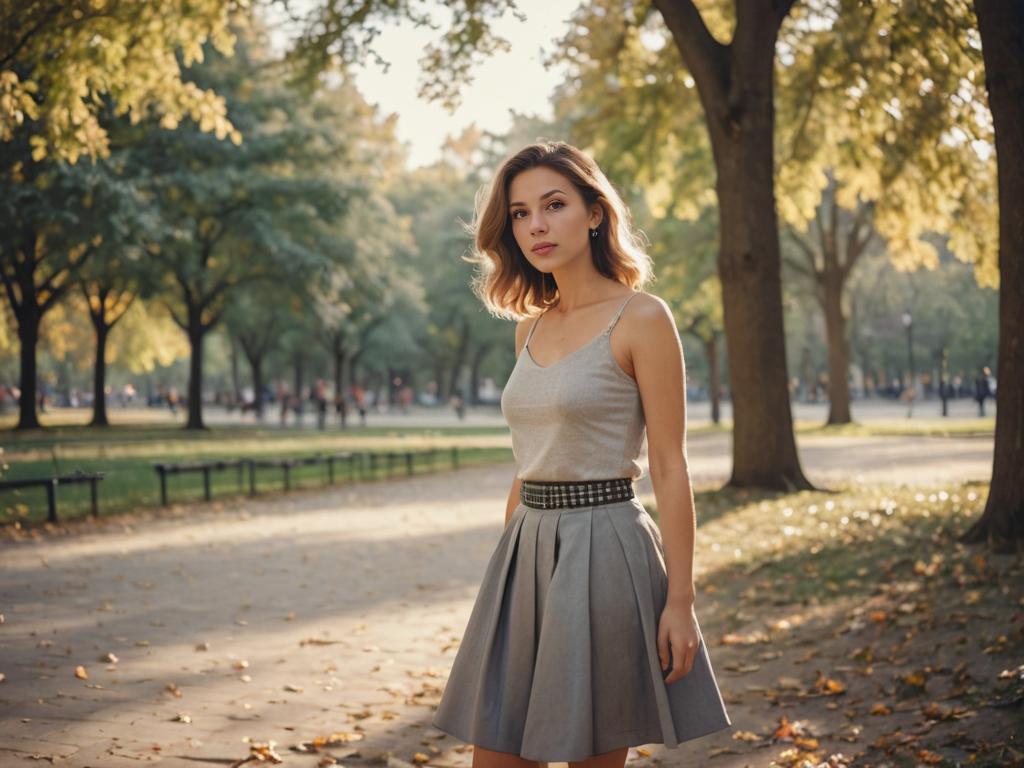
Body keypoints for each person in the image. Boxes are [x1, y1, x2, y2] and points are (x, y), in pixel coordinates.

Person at [431, 141, 731, 767]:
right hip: (526, 552)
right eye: (519, 213)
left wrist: (681, 601)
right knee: (498, 753)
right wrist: (509, 564)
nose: (536, 225)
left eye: (554, 204)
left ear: (595, 213)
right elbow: (529, 458)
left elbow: (672, 467)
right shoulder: (528, 326)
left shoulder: (642, 317)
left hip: (605, 551)